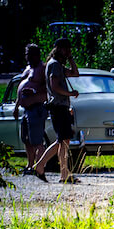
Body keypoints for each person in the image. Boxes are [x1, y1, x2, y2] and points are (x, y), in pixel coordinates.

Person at [31, 38, 80, 184]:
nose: (67, 52)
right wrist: (70, 94)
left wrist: (71, 58)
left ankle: (64, 174)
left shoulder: (58, 65)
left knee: (64, 141)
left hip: (61, 107)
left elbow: (75, 73)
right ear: (59, 49)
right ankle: (39, 166)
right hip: (58, 107)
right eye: (66, 49)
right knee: (62, 140)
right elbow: (54, 86)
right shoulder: (54, 65)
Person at [12, 44, 47, 175]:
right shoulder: (27, 68)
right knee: (26, 139)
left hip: (36, 108)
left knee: (37, 140)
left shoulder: (42, 69)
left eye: (29, 54)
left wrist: (34, 91)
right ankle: (30, 165)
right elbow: (20, 89)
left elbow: (47, 89)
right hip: (25, 109)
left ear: (36, 55)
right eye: (26, 54)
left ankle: (39, 166)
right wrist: (16, 106)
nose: (27, 57)